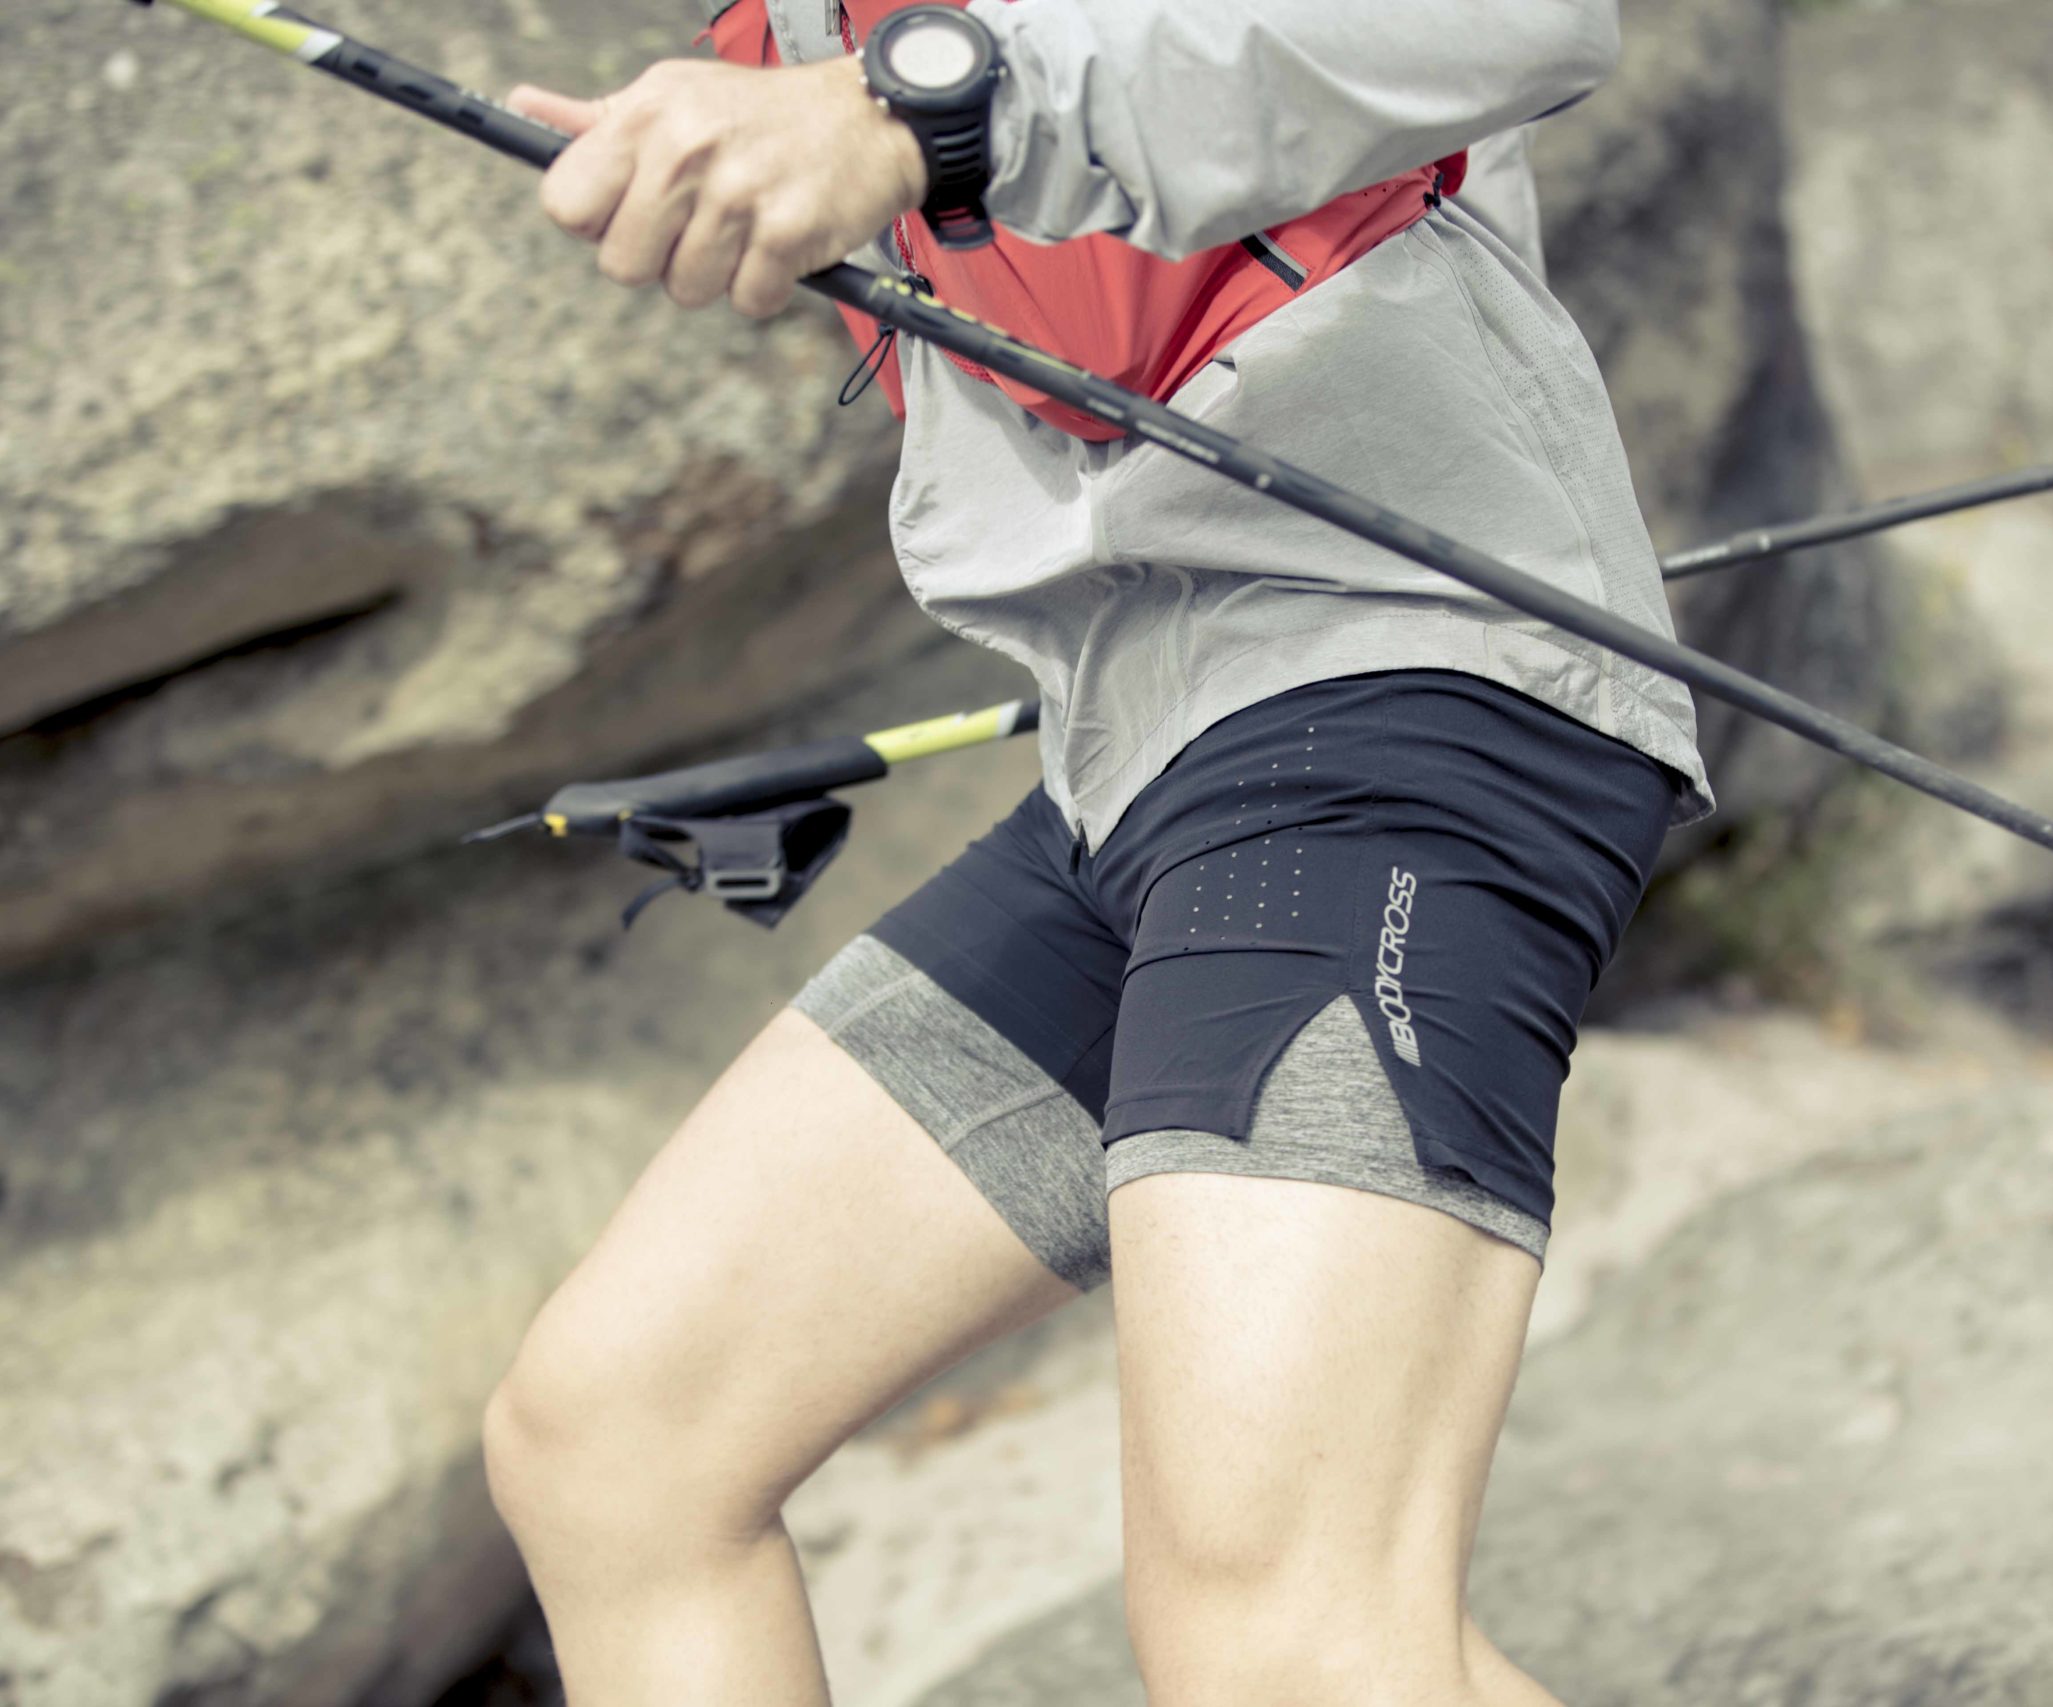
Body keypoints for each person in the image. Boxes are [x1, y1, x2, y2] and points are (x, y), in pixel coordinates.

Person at [479, 2, 1709, 1701]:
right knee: (614, 1444)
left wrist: (913, 109)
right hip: (1128, 771)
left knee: (1275, 1622)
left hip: (1387, 704)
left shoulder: (884, 70)